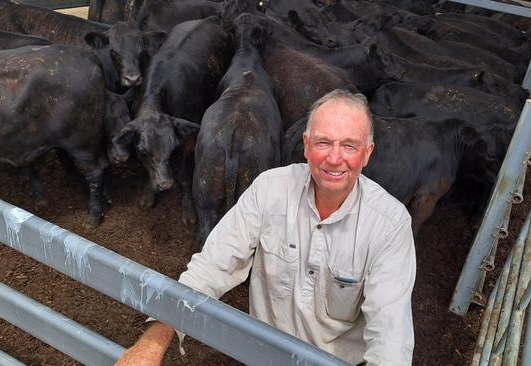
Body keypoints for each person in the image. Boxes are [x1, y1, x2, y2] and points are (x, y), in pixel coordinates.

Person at [116, 89, 416, 366]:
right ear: (307, 146)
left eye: (349, 145)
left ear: (367, 153)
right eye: (323, 142)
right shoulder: (270, 189)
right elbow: (213, 266)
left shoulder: (389, 224)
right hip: (263, 356)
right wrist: (155, 340)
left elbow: (389, 330)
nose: (334, 158)